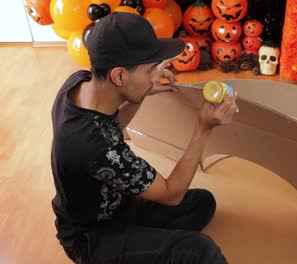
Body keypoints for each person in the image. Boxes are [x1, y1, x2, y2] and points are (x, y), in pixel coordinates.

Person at [51, 12, 237, 263]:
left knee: (202, 202)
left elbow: (109, 127)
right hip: (92, 237)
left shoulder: (79, 83)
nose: (155, 76)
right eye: (150, 69)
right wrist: (204, 128)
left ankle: (144, 245)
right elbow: (172, 194)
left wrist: (143, 90)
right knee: (200, 251)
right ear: (119, 76)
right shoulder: (97, 148)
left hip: (119, 207)